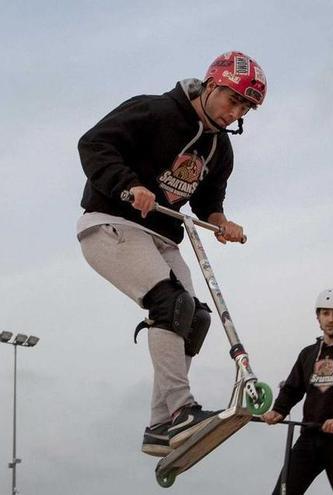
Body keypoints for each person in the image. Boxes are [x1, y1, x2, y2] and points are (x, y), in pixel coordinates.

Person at [76, 51, 267, 457]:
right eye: (232, 100)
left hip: (162, 235)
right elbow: (93, 143)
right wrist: (129, 185)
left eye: (244, 108)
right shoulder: (155, 110)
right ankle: (181, 411)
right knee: (170, 303)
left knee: (193, 317)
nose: (235, 113)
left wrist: (221, 221)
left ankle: (161, 425)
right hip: (112, 223)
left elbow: (208, 201)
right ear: (211, 84)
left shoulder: (220, 150)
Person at [261, 289, 333, 495]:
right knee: (282, 492)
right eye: (325, 313)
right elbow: (292, 388)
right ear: (318, 317)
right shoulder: (308, 354)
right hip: (308, 436)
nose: (330, 319)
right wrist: (278, 410)